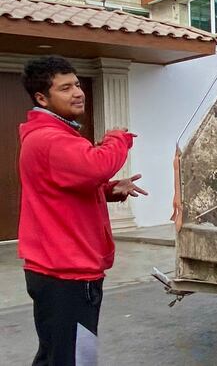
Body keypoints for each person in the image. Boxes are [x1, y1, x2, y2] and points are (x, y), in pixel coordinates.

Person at [17, 56, 147, 366]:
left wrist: (108, 191)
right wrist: (118, 137)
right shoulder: (50, 139)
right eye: (65, 88)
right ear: (42, 98)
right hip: (67, 271)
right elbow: (97, 165)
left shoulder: (51, 136)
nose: (78, 92)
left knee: (55, 354)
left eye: (77, 84)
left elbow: (66, 186)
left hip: (55, 267)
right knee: (73, 358)